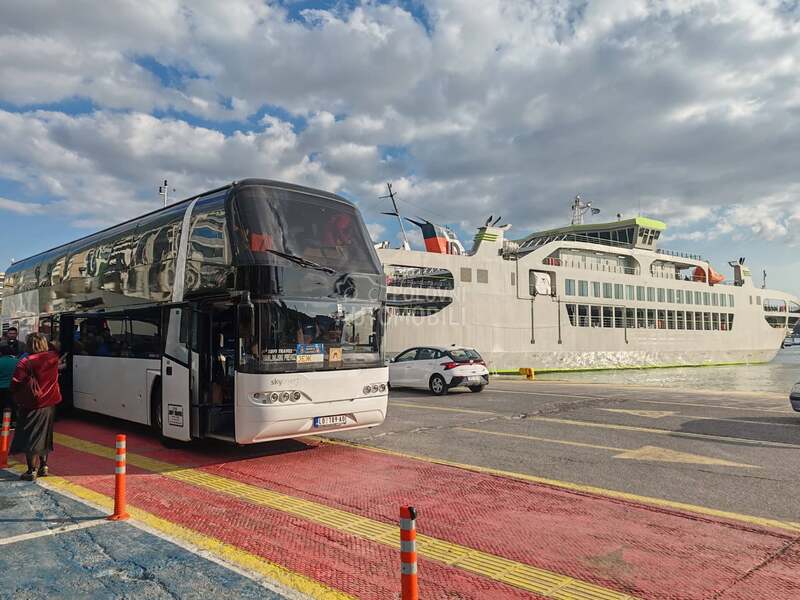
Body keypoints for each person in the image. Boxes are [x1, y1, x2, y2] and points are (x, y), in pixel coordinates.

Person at [10, 333, 62, 480]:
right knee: (45, 434)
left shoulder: (25, 362)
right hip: (50, 401)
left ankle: (31, 470)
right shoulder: (53, 357)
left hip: (31, 404)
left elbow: (15, 382)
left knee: (30, 436)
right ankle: (43, 466)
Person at [0, 343, 19, 424]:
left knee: (1, 405)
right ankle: (13, 421)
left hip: (1, 387)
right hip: (13, 387)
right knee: (12, 405)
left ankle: (2, 422)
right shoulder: (17, 361)